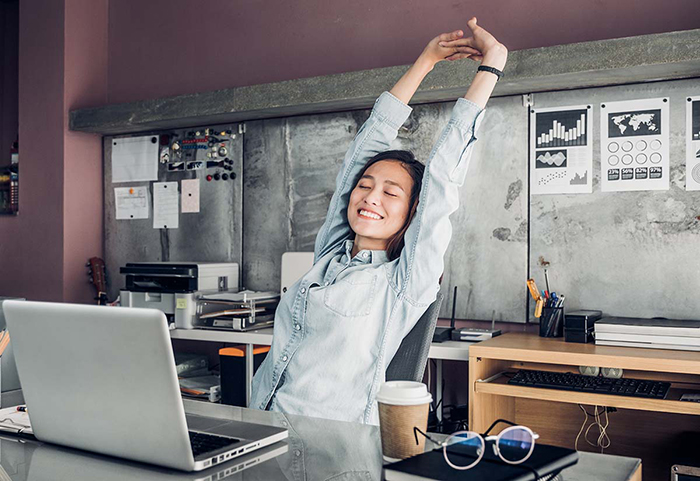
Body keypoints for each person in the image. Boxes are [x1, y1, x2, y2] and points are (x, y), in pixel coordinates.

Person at [251, 17, 508, 424]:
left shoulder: (405, 280)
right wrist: (425, 61)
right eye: (365, 186)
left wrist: (491, 66)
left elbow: (442, 179)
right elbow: (364, 148)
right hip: (263, 425)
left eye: (390, 193)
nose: (370, 197)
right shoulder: (330, 255)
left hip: (333, 447)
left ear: (412, 212)